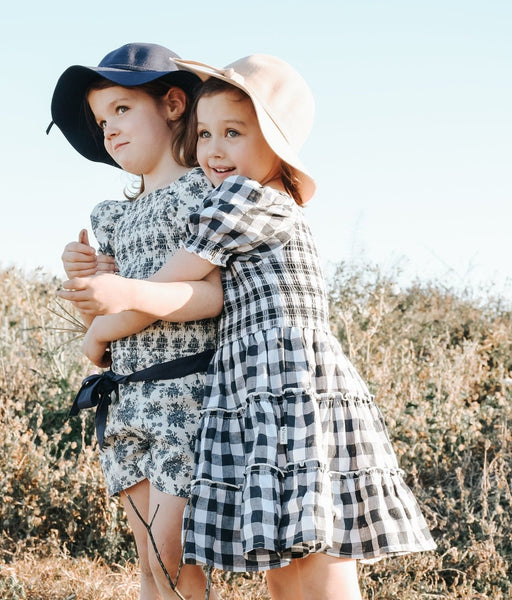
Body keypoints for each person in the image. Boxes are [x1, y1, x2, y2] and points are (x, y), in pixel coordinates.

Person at [72, 53, 437, 600]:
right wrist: (101, 288)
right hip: (261, 390)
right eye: (206, 134)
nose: (214, 150)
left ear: (275, 139)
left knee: (313, 558)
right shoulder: (248, 196)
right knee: (289, 556)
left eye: (233, 133)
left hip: (283, 386)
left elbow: (181, 280)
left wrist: (103, 325)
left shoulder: (241, 197)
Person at [50, 42, 223, 600]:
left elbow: (208, 294)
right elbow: (108, 308)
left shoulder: (203, 192)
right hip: (125, 399)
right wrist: (90, 282)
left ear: (174, 104)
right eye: (102, 121)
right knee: (148, 562)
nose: (109, 131)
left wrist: (104, 324)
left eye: (122, 110)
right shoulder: (113, 215)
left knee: (175, 556)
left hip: (184, 392)